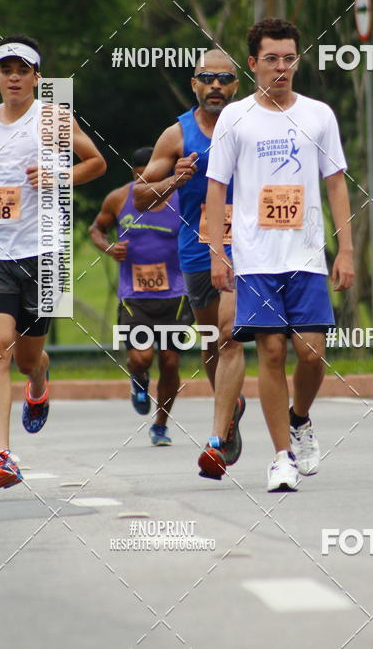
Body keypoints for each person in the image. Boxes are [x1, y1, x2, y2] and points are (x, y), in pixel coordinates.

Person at [206, 17, 354, 492]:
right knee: (270, 351)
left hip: (307, 255)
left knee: (311, 354)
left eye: (289, 58)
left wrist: (344, 249)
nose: (281, 67)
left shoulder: (318, 115)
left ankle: (300, 417)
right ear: (253, 64)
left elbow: (336, 184)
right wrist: (218, 252)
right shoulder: (235, 118)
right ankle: (281, 457)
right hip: (255, 259)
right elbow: (216, 188)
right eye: (271, 59)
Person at [0, 36, 106, 489]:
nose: (13, 77)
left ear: (36, 78)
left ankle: (41, 378)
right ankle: (3, 455)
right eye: (5, 69)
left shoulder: (52, 118)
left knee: (28, 359)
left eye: (22, 70)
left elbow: (97, 163)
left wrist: (58, 175)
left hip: (43, 254)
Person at [132, 49, 245, 475]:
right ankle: (229, 405)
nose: (215, 85)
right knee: (213, 339)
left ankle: (219, 434)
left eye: (224, 78)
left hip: (245, 246)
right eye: (206, 77)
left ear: (236, 85)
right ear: (193, 84)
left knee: (231, 336)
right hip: (198, 247)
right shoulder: (176, 135)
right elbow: (140, 196)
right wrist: (174, 179)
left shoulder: (253, 123)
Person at [89, 146, 190, 446]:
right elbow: (96, 228)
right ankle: (139, 380)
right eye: (143, 176)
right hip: (134, 294)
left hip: (176, 292)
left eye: (156, 175)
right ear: (134, 175)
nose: (150, 182)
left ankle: (160, 424)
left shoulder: (181, 199)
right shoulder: (120, 198)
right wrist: (107, 247)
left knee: (170, 363)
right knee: (141, 357)